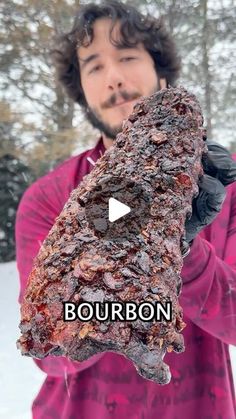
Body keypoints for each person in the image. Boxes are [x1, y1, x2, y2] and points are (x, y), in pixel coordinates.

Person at [15, 1, 236, 418]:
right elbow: (49, 346)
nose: (114, 76)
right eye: (94, 66)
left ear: (162, 72)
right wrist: (133, 233)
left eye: (128, 56)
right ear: (83, 93)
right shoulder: (48, 197)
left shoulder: (220, 187)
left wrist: (185, 255)